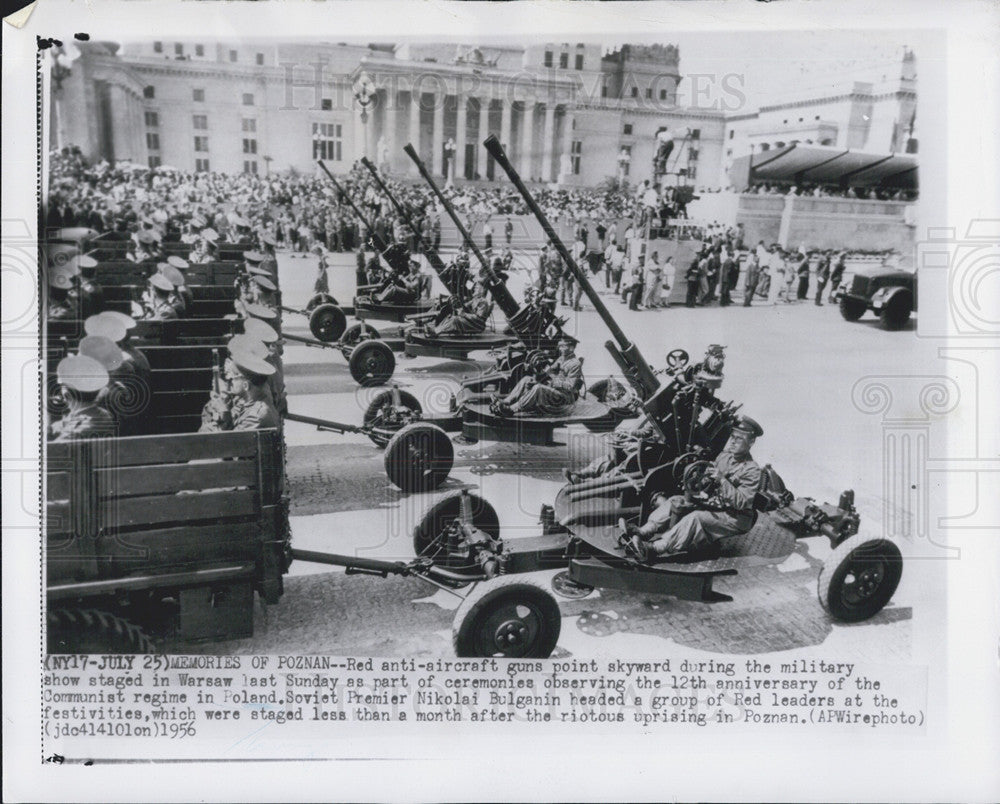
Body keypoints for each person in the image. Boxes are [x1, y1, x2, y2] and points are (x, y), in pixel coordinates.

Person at [626, 416, 764, 562]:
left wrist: (722, 480)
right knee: (677, 501)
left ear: (751, 442)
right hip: (717, 504)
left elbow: (742, 502)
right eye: (733, 437)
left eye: (739, 439)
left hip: (735, 517)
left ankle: (655, 549)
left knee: (696, 517)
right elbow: (708, 478)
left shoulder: (752, 470)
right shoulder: (724, 456)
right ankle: (644, 531)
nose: (733, 441)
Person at [491, 336, 583, 417]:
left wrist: (551, 379)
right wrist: (540, 370)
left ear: (571, 348)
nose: (560, 348)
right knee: (527, 379)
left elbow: (570, 386)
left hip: (564, 397)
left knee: (538, 388)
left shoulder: (575, 364)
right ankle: (506, 401)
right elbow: (548, 372)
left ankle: (512, 409)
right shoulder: (561, 359)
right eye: (560, 346)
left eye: (563, 346)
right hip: (554, 391)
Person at [48, 355, 116, 441]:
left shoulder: (88, 424)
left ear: (66, 394)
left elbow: (56, 448)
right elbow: (63, 424)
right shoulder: (102, 414)